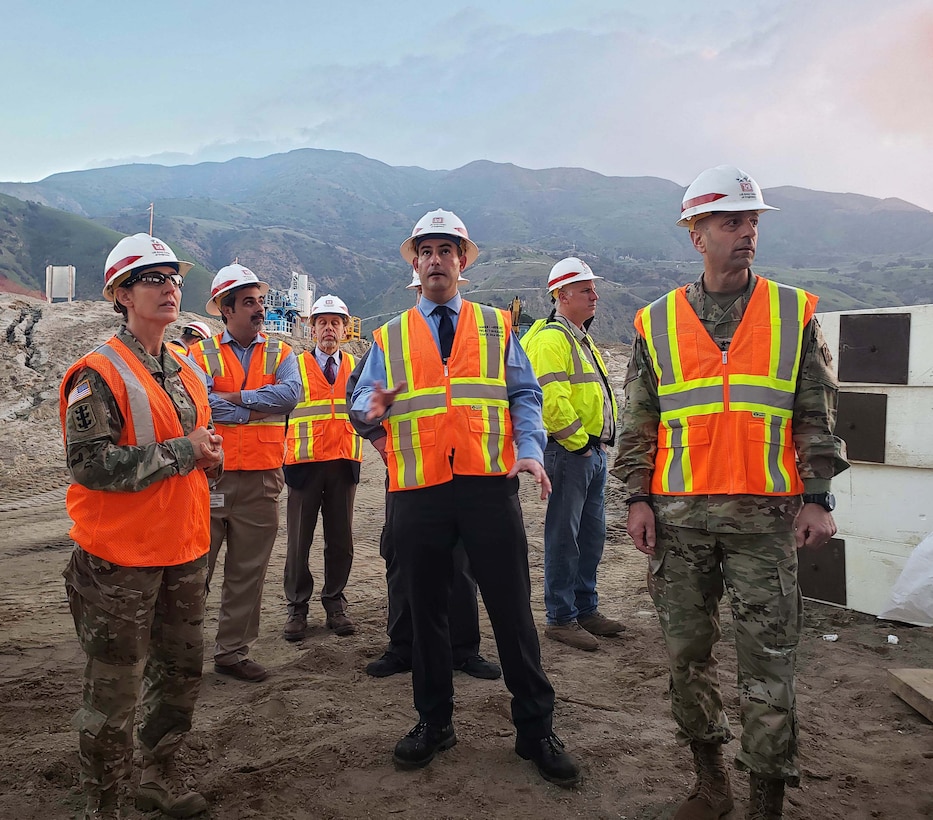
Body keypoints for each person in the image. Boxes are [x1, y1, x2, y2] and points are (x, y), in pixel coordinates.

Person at [612, 166, 849, 820]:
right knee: (686, 659)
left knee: (767, 667)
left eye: (751, 221)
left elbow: (815, 412)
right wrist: (636, 497)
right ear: (696, 234)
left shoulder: (789, 313)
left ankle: (763, 804)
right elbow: (638, 419)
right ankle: (710, 781)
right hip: (679, 522)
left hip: (763, 521)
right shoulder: (655, 322)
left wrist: (817, 496)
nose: (746, 231)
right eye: (729, 221)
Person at [351, 208, 580, 787]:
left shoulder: (496, 326)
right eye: (425, 251)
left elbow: (523, 394)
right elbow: (364, 405)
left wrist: (529, 447)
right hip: (419, 491)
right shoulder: (392, 335)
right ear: (415, 265)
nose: (435, 260)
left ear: (461, 262)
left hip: (486, 486)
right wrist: (373, 416)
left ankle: (535, 730)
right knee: (425, 613)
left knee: (512, 610)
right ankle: (434, 722)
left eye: (445, 250)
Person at [60, 233, 223, 819]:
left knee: (179, 675)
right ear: (122, 294)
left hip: (182, 548)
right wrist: (185, 451)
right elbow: (89, 465)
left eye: (174, 278)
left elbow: (206, 444)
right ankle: (102, 806)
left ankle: (156, 779)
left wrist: (209, 454)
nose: (170, 288)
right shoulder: (97, 373)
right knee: (114, 693)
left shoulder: (183, 366)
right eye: (154, 279)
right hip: (118, 562)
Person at [353, 270, 501, 681]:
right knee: (402, 559)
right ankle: (403, 647)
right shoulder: (393, 337)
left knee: (460, 561)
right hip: (411, 473)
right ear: (415, 287)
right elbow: (360, 397)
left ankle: (463, 649)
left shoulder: (482, 330)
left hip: (466, 471)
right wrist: (382, 442)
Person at [188, 263, 301, 682]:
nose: (259, 309)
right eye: (249, 302)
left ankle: (232, 652)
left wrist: (232, 399)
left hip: (262, 480)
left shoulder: (282, 352)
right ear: (225, 308)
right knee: (194, 572)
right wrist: (256, 405)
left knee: (247, 572)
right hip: (209, 479)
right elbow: (200, 404)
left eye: (259, 301)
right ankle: (181, 653)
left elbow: (290, 395)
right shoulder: (198, 355)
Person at [521, 257, 622, 652]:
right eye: (585, 289)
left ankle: (585, 608)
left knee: (590, 535)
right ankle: (561, 617)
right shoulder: (550, 339)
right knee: (565, 536)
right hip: (568, 452)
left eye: (592, 288)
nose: (594, 295)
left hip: (590, 452)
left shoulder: (577, 335)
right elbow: (549, 398)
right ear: (561, 295)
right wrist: (579, 441)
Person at [282, 294, 363, 640]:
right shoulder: (293, 366)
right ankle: (297, 608)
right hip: (303, 466)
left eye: (335, 322)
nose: (329, 328)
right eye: (322, 322)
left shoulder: (356, 368)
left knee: (341, 541)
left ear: (345, 329)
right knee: (299, 542)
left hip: (344, 463)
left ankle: (335, 604)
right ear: (311, 328)